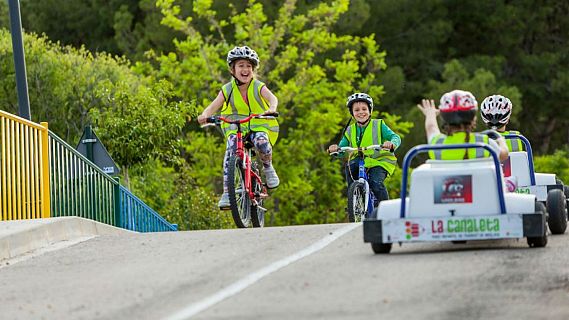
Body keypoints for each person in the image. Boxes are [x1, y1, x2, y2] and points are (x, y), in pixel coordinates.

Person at [197, 46, 280, 209]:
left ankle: (268, 167)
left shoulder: (258, 86)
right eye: (241, 65)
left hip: (258, 124)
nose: (245, 69)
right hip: (235, 127)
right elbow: (212, 107)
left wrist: (271, 108)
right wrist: (204, 115)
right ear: (232, 69)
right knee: (231, 150)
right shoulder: (227, 90)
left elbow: (273, 98)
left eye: (249, 66)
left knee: (262, 143)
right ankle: (228, 192)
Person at [328, 93, 401, 205]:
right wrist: (335, 150)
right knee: (350, 167)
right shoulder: (350, 130)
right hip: (360, 161)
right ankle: (354, 197)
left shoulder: (379, 124)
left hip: (379, 161)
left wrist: (391, 143)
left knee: (375, 182)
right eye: (356, 110)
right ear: (352, 113)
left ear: (370, 111)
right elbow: (341, 149)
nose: (361, 112)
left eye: (364, 109)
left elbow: (395, 137)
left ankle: (385, 208)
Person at [417, 89, 509, 162]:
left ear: (445, 120)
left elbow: (431, 128)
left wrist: (430, 114)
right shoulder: (484, 143)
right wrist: (501, 141)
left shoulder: (436, 145)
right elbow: (504, 155)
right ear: (473, 119)